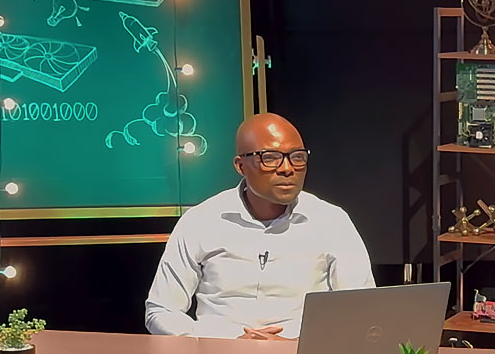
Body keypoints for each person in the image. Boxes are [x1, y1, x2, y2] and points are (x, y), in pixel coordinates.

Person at [145, 113, 374, 339]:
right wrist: (220, 341)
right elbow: (161, 310)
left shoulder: (331, 221)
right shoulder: (200, 221)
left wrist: (295, 343)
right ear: (240, 165)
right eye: (270, 157)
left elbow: (360, 309)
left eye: (297, 157)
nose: (287, 168)